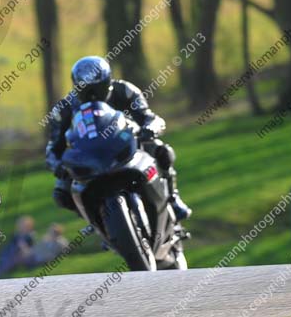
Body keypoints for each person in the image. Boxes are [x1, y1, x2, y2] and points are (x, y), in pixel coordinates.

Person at [45, 55, 191, 221]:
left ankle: (172, 197)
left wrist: (150, 128)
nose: (92, 95)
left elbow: (150, 118)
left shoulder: (125, 91)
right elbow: (53, 147)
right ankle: (98, 219)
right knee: (61, 193)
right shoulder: (65, 108)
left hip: (127, 146)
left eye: (97, 89)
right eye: (86, 91)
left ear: (108, 83)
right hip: (88, 159)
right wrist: (57, 165)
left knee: (162, 150)